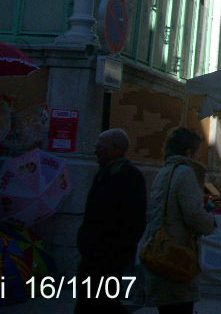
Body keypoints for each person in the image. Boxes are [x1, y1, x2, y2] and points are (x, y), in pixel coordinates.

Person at [138, 127, 216, 314]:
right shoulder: (185, 173)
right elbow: (194, 214)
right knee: (179, 305)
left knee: (167, 306)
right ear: (189, 152)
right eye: (197, 152)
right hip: (176, 252)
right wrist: (210, 223)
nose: (198, 157)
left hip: (159, 246)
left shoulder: (165, 171)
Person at [75, 129, 147, 314]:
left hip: (111, 252)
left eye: (101, 147)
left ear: (116, 149)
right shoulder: (102, 173)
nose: (96, 151)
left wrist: (121, 247)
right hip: (93, 249)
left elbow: (136, 218)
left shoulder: (130, 176)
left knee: (102, 300)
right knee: (91, 298)